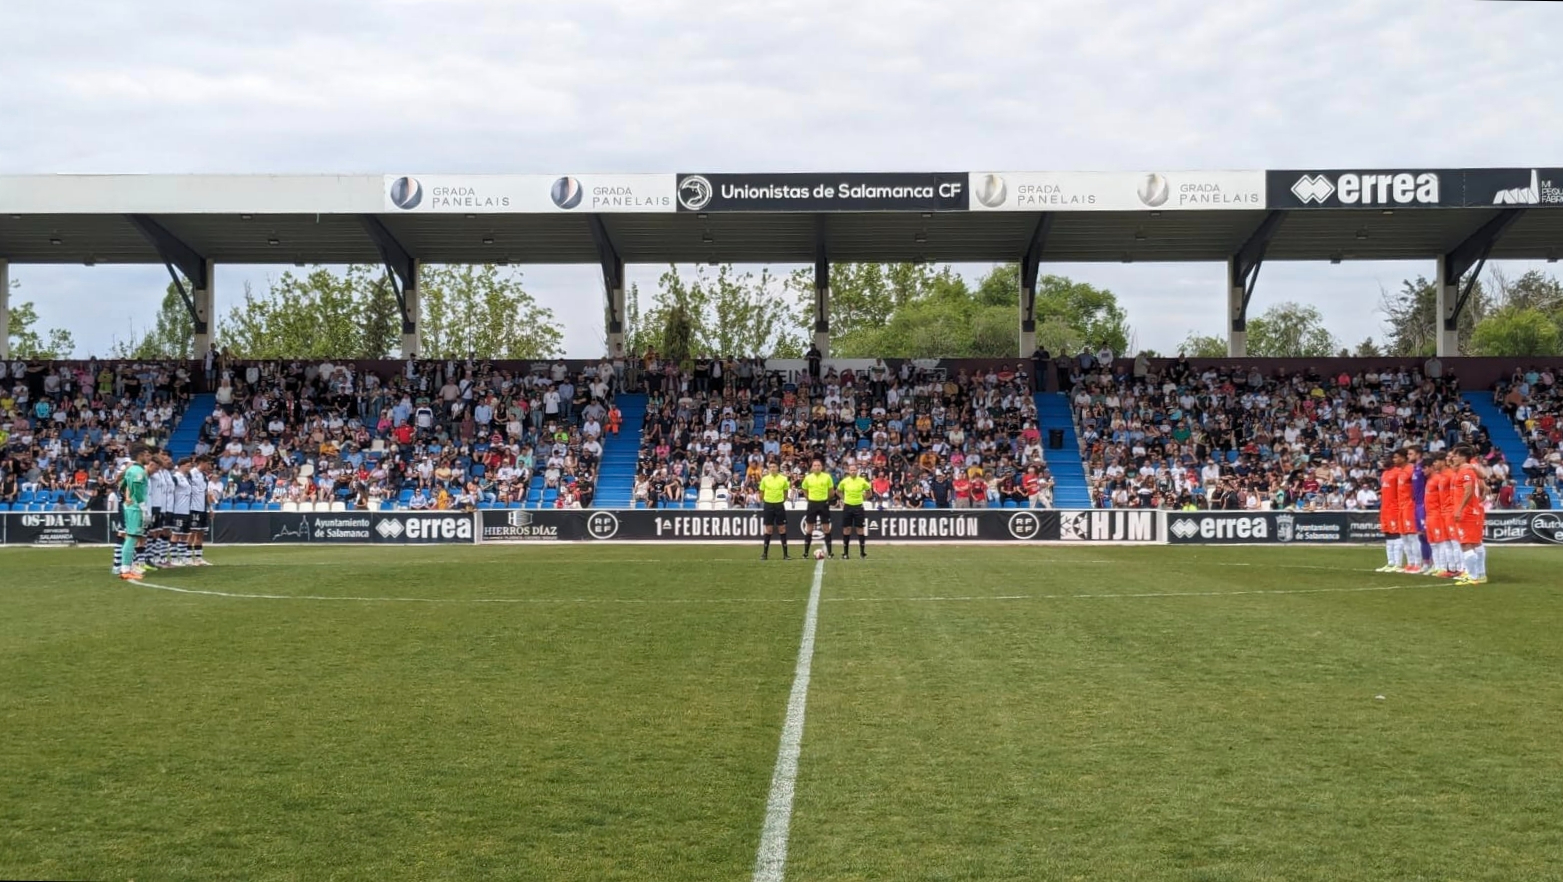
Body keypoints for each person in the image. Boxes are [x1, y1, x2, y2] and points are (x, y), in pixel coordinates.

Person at [1452, 444, 1489, 585]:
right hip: (1472, 511)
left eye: (1455, 455)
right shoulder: (1468, 469)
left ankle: (1472, 576)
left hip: (1467, 512)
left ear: (1462, 457)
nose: (1453, 458)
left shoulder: (1465, 472)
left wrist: (1459, 509)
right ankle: (1480, 574)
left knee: (1466, 544)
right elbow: (1483, 476)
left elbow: (1468, 491)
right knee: (1475, 543)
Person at [116, 446, 152, 581]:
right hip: (136, 508)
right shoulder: (138, 471)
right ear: (140, 455)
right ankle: (125, 569)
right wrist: (143, 506)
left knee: (132, 537)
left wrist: (127, 497)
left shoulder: (131, 470)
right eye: (147, 455)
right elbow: (137, 489)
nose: (149, 458)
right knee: (131, 537)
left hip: (131, 506)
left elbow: (121, 485)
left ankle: (127, 567)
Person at [1375, 452, 1406, 573]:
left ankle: (1398, 564)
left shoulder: (1398, 472)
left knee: (1396, 535)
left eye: (1385, 459)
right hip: (1385, 508)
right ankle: (1390, 562)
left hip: (1394, 508)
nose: (1383, 462)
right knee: (1388, 535)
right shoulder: (1384, 473)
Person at [800, 459, 835, 559]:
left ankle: (830, 553)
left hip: (823, 504)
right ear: (812, 467)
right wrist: (809, 498)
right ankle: (805, 553)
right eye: (814, 465)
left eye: (818, 465)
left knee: (826, 528)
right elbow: (804, 489)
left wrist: (826, 500)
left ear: (822, 467)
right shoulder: (808, 478)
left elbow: (831, 491)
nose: (816, 467)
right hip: (812, 504)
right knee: (809, 528)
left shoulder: (827, 477)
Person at [837, 463, 872, 559]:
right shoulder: (844, 481)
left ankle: (862, 553)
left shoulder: (862, 481)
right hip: (848, 506)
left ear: (857, 471)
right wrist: (844, 499)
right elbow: (838, 491)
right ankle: (845, 553)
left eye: (854, 470)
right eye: (851, 470)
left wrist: (864, 498)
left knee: (860, 528)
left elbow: (869, 492)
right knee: (846, 528)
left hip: (858, 506)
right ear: (848, 471)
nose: (853, 471)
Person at [759, 461, 791, 561]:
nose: (772, 469)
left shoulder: (783, 479)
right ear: (769, 469)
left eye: (774, 467)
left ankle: (785, 554)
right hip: (768, 505)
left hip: (779, 505)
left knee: (782, 529)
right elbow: (761, 492)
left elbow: (786, 492)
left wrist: (781, 501)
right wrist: (765, 501)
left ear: (778, 468)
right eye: (771, 467)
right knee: (768, 529)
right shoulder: (764, 479)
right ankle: (765, 554)